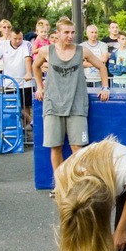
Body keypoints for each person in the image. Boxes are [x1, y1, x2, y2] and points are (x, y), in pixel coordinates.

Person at [33, 17, 110, 177]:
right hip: (53, 105)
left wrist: (105, 88)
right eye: (66, 32)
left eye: (73, 32)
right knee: (55, 147)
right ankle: (60, 184)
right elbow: (35, 66)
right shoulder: (47, 50)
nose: (70, 36)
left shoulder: (82, 50)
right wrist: (39, 87)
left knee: (77, 148)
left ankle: (78, 182)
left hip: (77, 104)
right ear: (58, 33)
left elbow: (102, 66)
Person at [0, 26, 34, 126]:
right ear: (10, 37)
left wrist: (29, 72)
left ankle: (25, 128)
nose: (18, 41)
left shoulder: (27, 44)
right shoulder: (3, 45)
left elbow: (28, 59)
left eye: (20, 38)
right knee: (13, 105)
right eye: (15, 38)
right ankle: (29, 121)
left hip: (25, 81)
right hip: (9, 82)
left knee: (25, 105)